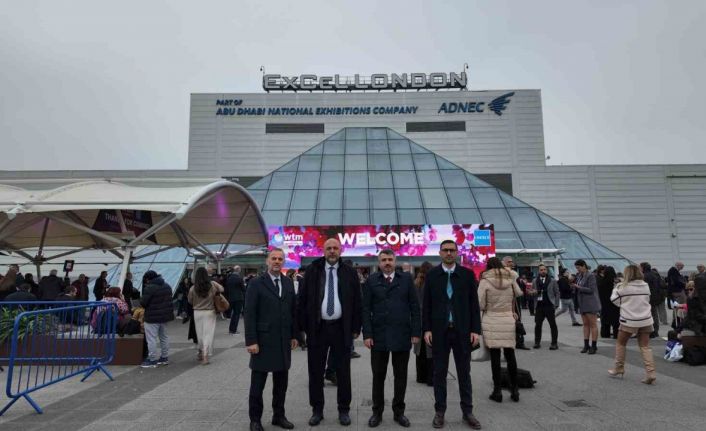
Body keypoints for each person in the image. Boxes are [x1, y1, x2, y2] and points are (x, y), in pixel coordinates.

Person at [297, 237, 361, 427]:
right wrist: (303, 328)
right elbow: (302, 300)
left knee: (343, 372)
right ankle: (317, 410)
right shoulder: (313, 270)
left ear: (341, 250)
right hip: (318, 328)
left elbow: (358, 301)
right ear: (323, 250)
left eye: (335, 248)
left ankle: (344, 410)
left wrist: (356, 327)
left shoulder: (349, 272)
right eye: (329, 248)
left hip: (341, 328)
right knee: (315, 372)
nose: (332, 251)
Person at [423, 240, 482, 430]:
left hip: (462, 331)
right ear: (440, 253)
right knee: (439, 373)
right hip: (439, 332)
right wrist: (427, 329)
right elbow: (426, 305)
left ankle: (468, 411)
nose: (449, 253)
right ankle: (440, 412)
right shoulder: (432, 275)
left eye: (452, 250)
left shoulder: (467, 275)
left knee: (464, 373)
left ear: (457, 253)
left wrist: (475, 330)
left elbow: (474, 305)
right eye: (445, 250)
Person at [362, 249, 421, 428]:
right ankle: (377, 412)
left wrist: (416, 332)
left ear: (395, 261)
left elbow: (415, 307)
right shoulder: (372, 280)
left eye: (390, 259)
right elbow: (365, 309)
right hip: (378, 336)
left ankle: (399, 412)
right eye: (384, 260)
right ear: (379, 263)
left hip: (402, 334)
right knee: (378, 376)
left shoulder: (406, 279)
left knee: (400, 376)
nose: (387, 262)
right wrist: (367, 334)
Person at [245, 248, 298, 431]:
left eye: (280, 259)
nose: (276, 261)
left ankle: (279, 416)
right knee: (257, 385)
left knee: (281, 384)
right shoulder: (256, 283)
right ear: (267, 261)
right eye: (273, 258)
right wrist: (251, 340)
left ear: (284, 262)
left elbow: (293, 310)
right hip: (262, 342)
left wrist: (295, 335)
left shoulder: (288, 282)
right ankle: (255, 420)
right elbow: (250, 313)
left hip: (283, 341)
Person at [478, 257, 523, 403]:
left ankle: (497, 391)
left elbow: (480, 304)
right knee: (510, 355)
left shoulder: (485, 281)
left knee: (495, 357)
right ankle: (515, 389)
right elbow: (519, 293)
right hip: (508, 319)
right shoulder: (510, 278)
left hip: (491, 319)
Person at [608, 265, 656, 384]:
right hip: (646, 319)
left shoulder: (622, 287)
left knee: (621, 343)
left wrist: (617, 286)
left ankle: (619, 368)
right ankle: (651, 372)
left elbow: (614, 300)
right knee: (645, 346)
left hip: (629, 320)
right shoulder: (645, 286)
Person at [188, 267, 224, 365]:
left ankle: (201, 351)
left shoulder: (193, 288)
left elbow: (190, 301)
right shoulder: (212, 285)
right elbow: (222, 289)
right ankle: (205, 356)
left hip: (197, 312)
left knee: (199, 334)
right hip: (210, 312)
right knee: (208, 334)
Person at [140, 270, 174, 368]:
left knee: (151, 339)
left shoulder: (149, 288)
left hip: (152, 317)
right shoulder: (167, 286)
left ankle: (152, 360)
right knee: (164, 337)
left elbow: (143, 303)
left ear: (147, 279)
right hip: (165, 316)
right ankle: (164, 357)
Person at [573, 259, 601, 354]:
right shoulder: (579, 276)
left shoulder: (591, 276)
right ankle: (586, 345)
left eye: (578, 267)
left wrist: (579, 287)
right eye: (576, 268)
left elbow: (591, 290)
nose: (577, 269)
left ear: (584, 266)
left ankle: (594, 345)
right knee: (585, 324)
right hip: (582, 303)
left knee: (593, 324)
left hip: (590, 303)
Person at [502, 256, 529, 350]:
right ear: (504, 263)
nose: (511, 263)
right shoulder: (505, 274)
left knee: (517, 320)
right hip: (506, 301)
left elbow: (517, 290)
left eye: (511, 262)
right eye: (509, 262)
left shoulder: (514, 274)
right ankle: (511, 341)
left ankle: (519, 341)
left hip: (515, 300)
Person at [530, 264, 560, 350]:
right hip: (539, 306)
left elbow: (557, 293)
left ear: (546, 270)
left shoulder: (552, 281)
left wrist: (556, 304)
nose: (543, 271)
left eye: (544, 269)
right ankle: (537, 342)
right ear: (538, 271)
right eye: (541, 270)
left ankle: (554, 343)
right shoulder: (534, 281)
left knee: (553, 325)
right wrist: (532, 292)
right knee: (538, 325)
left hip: (549, 305)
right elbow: (531, 291)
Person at [414, 261, 434, 386]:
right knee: (431, 349)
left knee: (420, 350)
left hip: (418, 319)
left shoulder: (416, 283)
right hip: (431, 319)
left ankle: (420, 377)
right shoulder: (433, 283)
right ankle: (430, 377)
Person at [641, 262, 664, 338]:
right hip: (656, 297)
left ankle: (651, 331)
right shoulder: (655, 274)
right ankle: (655, 331)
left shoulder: (645, 276)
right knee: (654, 314)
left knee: (649, 315)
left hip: (648, 297)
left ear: (643, 268)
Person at [598, 266, 620, 338]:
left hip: (604, 304)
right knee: (616, 320)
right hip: (614, 304)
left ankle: (605, 334)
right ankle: (616, 334)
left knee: (605, 320)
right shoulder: (616, 283)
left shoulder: (601, 282)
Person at [227, 265, 246, 334]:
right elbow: (243, 289)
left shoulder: (229, 278)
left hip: (231, 298)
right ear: (238, 270)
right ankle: (233, 330)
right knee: (236, 314)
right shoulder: (239, 278)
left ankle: (231, 329)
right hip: (238, 298)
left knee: (233, 314)